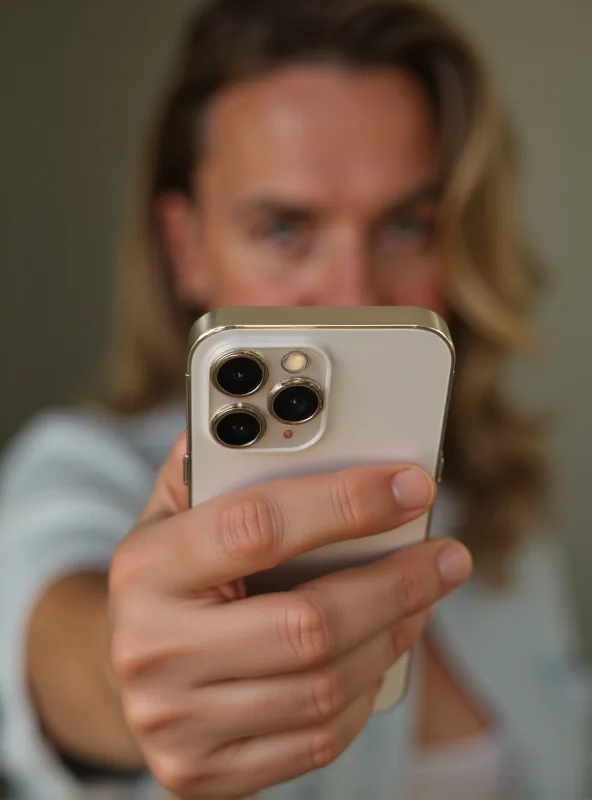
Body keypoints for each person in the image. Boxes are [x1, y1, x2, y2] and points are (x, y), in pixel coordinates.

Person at [0, 0, 588, 798]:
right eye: (284, 229)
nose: (354, 294)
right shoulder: (82, 469)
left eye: (408, 226)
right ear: (186, 246)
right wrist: (128, 682)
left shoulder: (501, 508)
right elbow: (55, 637)